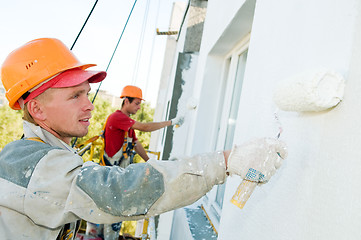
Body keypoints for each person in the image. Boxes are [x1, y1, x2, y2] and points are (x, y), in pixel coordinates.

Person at [0, 38, 287, 240]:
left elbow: (136, 143)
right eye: (75, 95)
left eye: (87, 93)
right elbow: (122, 190)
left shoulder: (39, 154)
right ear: (37, 109)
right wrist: (225, 161)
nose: (88, 104)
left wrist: (153, 159)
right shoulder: (31, 166)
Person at [86, 85, 184, 239]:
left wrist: (151, 162)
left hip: (118, 179)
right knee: (107, 218)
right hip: (111, 177)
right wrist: (171, 122)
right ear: (126, 101)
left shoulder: (127, 126)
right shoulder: (117, 118)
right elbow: (144, 127)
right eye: (137, 103)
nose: (139, 107)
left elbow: (136, 144)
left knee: (113, 218)